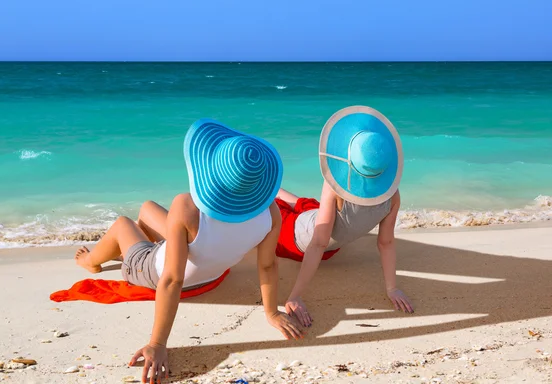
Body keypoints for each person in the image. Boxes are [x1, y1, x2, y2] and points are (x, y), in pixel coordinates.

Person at [74, 118, 303, 383]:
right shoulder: (271, 213)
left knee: (123, 225)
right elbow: (267, 266)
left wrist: (158, 344)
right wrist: (271, 313)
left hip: (153, 273)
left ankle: (92, 260)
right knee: (148, 208)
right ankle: (141, 245)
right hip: (211, 274)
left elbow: (172, 279)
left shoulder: (186, 207)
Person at [275, 105, 413, 328]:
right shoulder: (391, 195)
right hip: (314, 223)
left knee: (278, 210)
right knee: (303, 206)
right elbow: (386, 243)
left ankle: (270, 190)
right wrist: (391, 288)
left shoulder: (337, 188)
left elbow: (318, 243)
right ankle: (273, 189)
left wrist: (295, 295)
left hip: (300, 234)